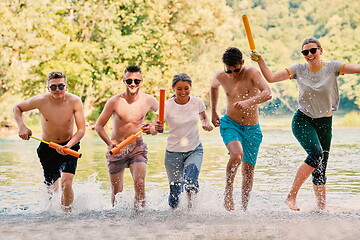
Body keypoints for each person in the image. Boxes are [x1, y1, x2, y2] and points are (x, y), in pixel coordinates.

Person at [251, 36, 360, 211]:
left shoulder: (333, 67)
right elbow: (271, 78)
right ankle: (291, 197)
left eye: (313, 50)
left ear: (320, 51)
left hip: (325, 122)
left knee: (321, 166)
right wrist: (261, 61)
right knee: (316, 154)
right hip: (303, 120)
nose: (309, 54)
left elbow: (357, 69)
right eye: (305, 52)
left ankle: (321, 209)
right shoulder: (299, 70)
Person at [13, 71, 86, 210]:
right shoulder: (40, 100)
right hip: (47, 147)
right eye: (53, 87)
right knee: (52, 189)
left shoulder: (75, 101)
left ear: (66, 87)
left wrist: (69, 146)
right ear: (48, 88)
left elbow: (81, 130)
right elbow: (17, 108)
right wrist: (22, 126)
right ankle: (51, 216)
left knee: (66, 183)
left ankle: (67, 214)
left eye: (61, 86)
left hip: (70, 145)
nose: (57, 90)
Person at [210, 47, 272, 211]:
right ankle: (228, 193)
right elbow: (213, 87)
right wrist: (214, 111)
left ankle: (244, 209)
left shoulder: (251, 72)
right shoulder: (221, 76)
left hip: (252, 129)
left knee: (248, 172)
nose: (234, 74)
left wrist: (248, 102)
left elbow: (267, 93)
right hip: (230, 123)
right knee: (237, 155)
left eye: (236, 70)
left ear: (242, 63)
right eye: (229, 71)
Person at [95, 65, 158, 209]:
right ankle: (118, 222)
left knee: (140, 183)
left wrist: (153, 127)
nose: (133, 84)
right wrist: (109, 143)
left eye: (137, 81)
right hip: (117, 148)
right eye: (129, 81)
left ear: (141, 81)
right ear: (124, 81)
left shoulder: (149, 100)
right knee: (117, 192)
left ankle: (140, 218)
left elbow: (162, 117)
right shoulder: (114, 101)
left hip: (137, 147)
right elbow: (99, 126)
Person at [156, 73, 213, 209]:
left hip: (194, 149)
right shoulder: (166, 105)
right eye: (179, 89)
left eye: (186, 88)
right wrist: (156, 127)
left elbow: (204, 117)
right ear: (173, 89)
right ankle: (173, 214)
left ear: (190, 88)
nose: (183, 92)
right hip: (173, 153)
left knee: (191, 181)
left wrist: (206, 123)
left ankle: (192, 211)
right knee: (175, 194)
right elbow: (157, 128)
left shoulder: (197, 102)